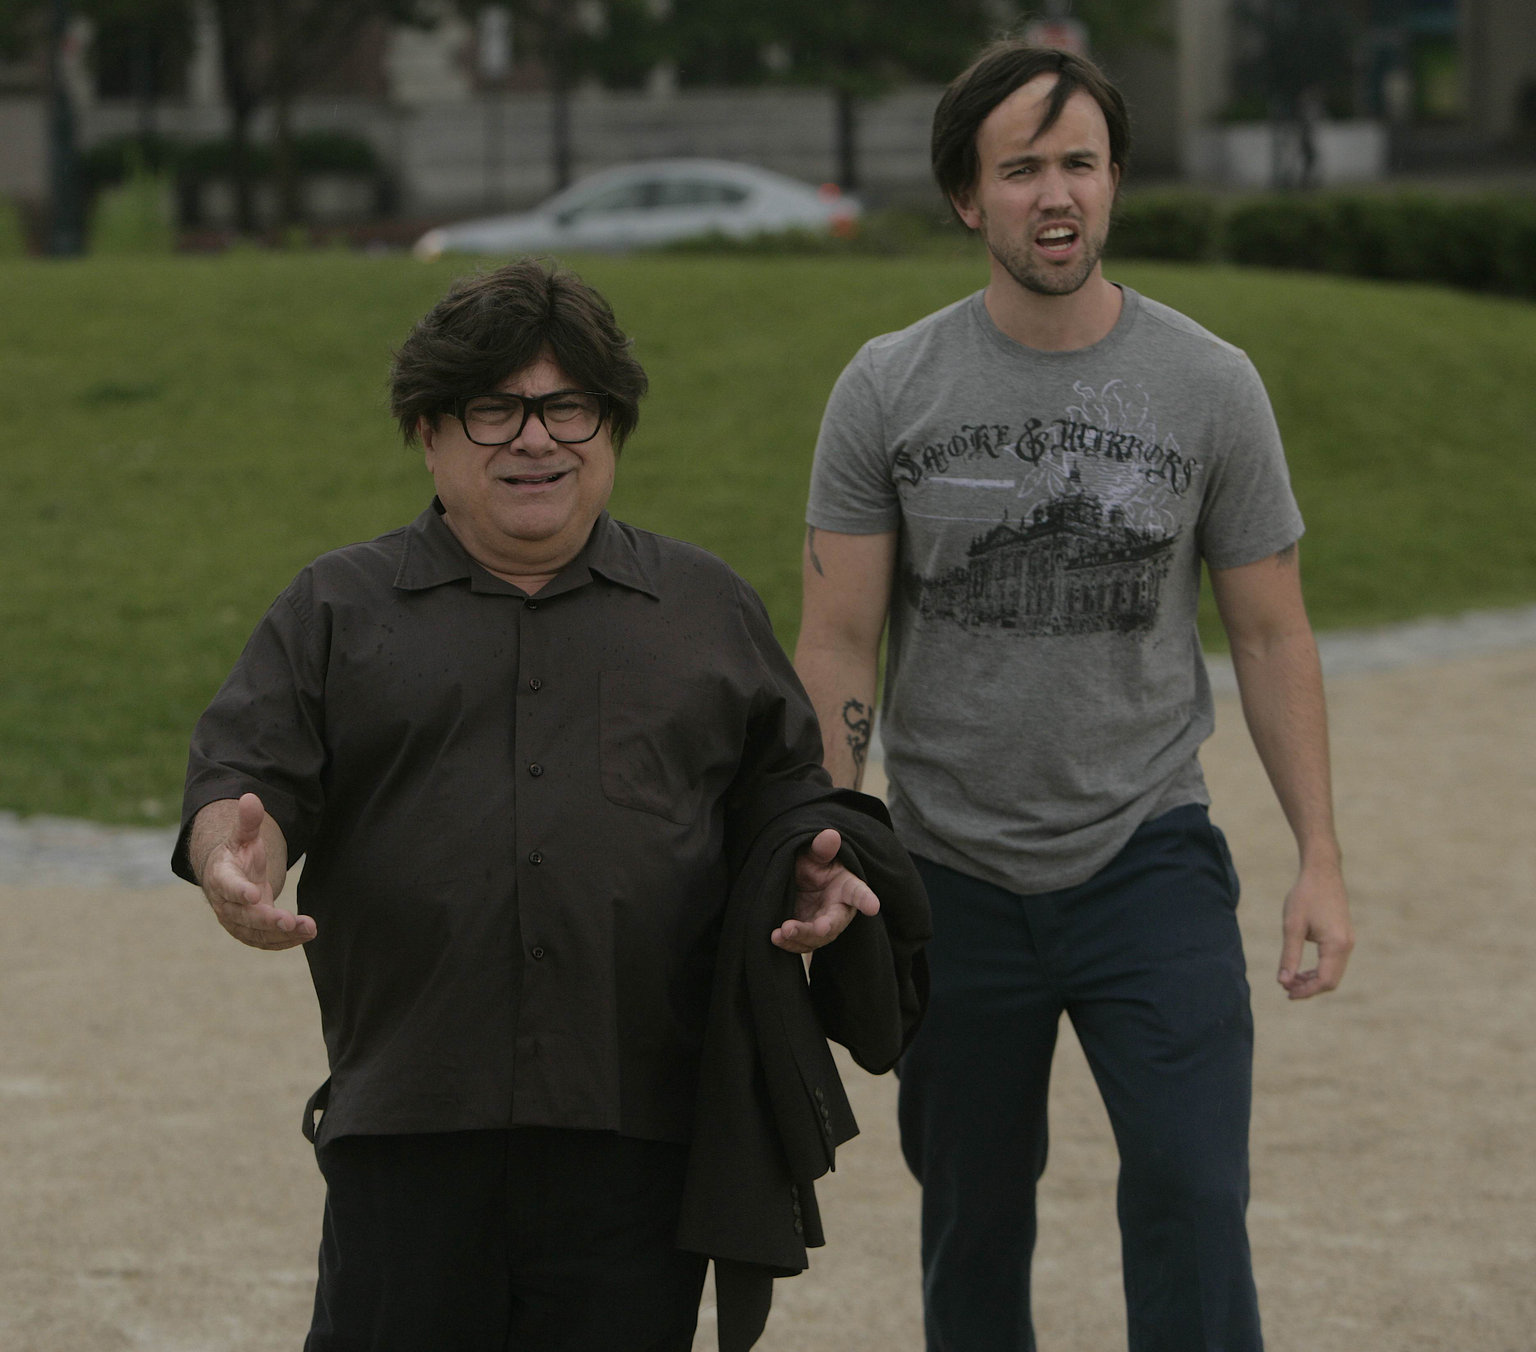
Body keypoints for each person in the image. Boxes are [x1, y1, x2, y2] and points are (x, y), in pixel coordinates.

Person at [172, 259, 928, 1352]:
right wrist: (231, 858)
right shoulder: (337, 606)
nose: (536, 439)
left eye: (569, 406)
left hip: (637, 1133)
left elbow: (789, 803)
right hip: (409, 1123)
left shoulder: (705, 608)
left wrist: (814, 867)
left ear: (611, 429)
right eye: (494, 409)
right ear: (429, 434)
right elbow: (247, 779)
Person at [794, 41, 1354, 1352]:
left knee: (1194, 1193)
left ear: (1114, 182)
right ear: (966, 197)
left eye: (1082, 164)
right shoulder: (888, 385)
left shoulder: (1211, 383)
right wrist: (827, 836)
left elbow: (1272, 634)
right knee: (973, 1216)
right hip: (948, 874)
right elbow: (838, 639)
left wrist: (1321, 858)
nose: (1057, 194)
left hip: (1148, 855)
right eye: (1023, 168)